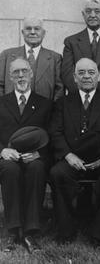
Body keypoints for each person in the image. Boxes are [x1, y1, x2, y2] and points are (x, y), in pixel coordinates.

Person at [50, 58, 100, 246]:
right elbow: (55, 132)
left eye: (91, 72)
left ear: (99, 76)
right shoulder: (63, 102)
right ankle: (66, 231)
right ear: (74, 77)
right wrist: (68, 155)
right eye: (81, 73)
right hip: (73, 157)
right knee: (57, 173)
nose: (86, 76)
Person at [0, 58, 52, 253]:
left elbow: (52, 134)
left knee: (37, 168)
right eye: (16, 73)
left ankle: (31, 231)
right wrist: (2, 151)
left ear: (31, 74)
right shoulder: (1, 103)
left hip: (35, 157)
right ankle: (14, 231)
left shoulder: (45, 104)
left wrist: (39, 153)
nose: (20, 76)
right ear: (11, 77)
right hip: (8, 158)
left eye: (24, 71)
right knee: (9, 169)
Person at [61, 0, 100, 97]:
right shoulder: (71, 42)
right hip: (79, 100)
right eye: (88, 11)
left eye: (97, 11)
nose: (93, 15)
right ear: (83, 14)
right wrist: (82, 96)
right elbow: (67, 74)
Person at [0, 17, 63, 101]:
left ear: (43, 33)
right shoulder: (7, 55)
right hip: (11, 111)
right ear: (22, 32)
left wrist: (52, 112)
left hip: (44, 112)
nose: (32, 32)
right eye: (28, 29)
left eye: (37, 29)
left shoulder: (55, 58)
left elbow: (59, 89)